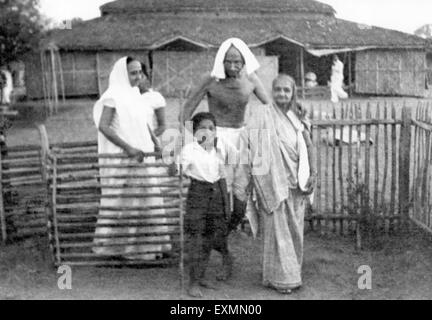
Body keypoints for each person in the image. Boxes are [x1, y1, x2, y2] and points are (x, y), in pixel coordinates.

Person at [232, 74, 317, 294]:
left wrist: (314, 173)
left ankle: (291, 271)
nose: (282, 94)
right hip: (272, 182)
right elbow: (249, 144)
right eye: (278, 90)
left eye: (286, 90)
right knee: (277, 233)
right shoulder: (262, 115)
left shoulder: (298, 116)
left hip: (296, 184)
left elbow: (309, 145)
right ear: (272, 91)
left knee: (295, 231)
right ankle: (281, 279)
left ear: (293, 93)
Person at [92, 56, 170, 261]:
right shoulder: (112, 96)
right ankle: (121, 249)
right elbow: (104, 126)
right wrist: (128, 148)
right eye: (132, 73)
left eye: (139, 72)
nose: (138, 76)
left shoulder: (135, 95)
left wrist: (155, 143)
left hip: (142, 155)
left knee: (146, 200)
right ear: (122, 74)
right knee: (125, 202)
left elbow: (145, 124)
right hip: (125, 157)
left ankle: (148, 248)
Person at [182, 38, 270, 198]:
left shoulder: (251, 79)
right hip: (216, 137)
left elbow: (270, 105)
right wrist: (196, 142)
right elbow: (185, 112)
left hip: (241, 138)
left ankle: (234, 222)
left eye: (237, 62)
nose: (232, 66)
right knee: (218, 188)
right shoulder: (210, 79)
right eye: (227, 62)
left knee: (241, 191)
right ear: (220, 61)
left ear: (245, 61)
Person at [173, 112, 237, 298]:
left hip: (216, 194)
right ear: (194, 132)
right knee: (196, 239)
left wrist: (226, 204)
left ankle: (200, 277)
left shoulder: (220, 149)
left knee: (209, 238)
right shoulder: (189, 150)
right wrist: (173, 158)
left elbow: (224, 174)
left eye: (211, 128)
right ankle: (192, 282)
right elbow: (178, 171)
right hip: (198, 195)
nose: (208, 132)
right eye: (203, 128)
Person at [138, 62, 167, 137]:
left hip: (147, 144)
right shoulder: (123, 97)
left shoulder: (155, 97)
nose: (138, 79)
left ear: (146, 77)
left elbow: (162, 126)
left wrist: (148, 138)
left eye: (141, 76)